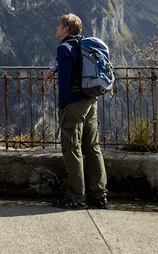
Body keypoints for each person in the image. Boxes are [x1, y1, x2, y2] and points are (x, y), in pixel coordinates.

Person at [50, 13, 108, 209]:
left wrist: (62, 106)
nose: (56, 28)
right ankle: (99, 195)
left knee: (72, 148)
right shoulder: (81, 44)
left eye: (59, 25)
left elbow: (65, 82)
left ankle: (75, 198)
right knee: (92, 147)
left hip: (74, 103)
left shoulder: (63, 48)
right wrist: (55, 67)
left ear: (66, 29)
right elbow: (73, 63)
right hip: (91, 101)